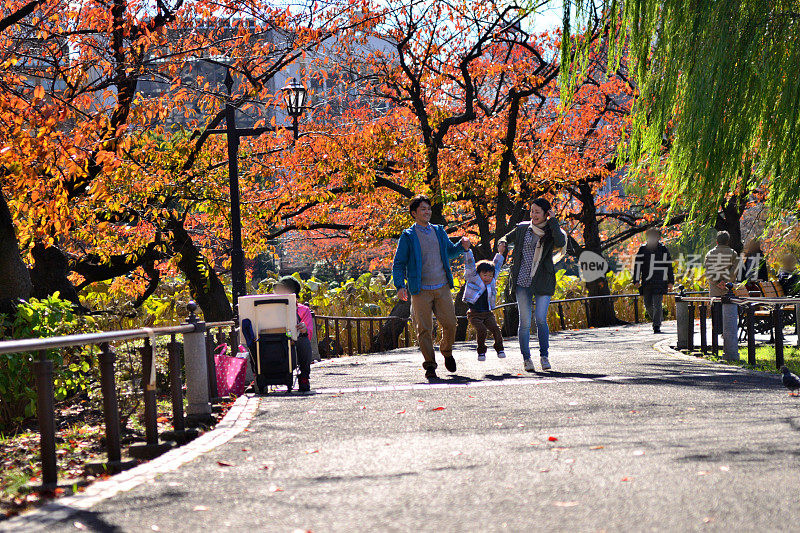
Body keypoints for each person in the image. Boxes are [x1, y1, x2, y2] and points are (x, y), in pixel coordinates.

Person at [392, 195, 471, 380]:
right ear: (414, 213)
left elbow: (450, 252)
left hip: (442, 286)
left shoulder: (439, 231)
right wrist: (400, 286)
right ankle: (430, 365)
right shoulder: (408, 236)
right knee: (424, 329)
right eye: (423, 209)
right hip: (420, 290)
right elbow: (399, 263)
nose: (427, 212)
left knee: (451, 323)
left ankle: (447, 350)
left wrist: (462, 245)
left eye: (428, 208)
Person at [499, 198, 566, 372]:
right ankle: (526, 358)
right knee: (525, 322)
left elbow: (560, 242)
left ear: (546, 213)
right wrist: (503, 243)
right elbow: (506, 237)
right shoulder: (523, 228)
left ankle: (544, 356)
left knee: (541, 319)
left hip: (543, 279)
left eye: (537, 212)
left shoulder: (552, 230)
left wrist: (554, 221)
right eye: (532, 211)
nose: (533, 215)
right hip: (522, 280)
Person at [463, 242, 507, 361]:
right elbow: (470, 265)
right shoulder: (473, 278)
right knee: (481, 330)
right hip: (474, 313)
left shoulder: (492, 280)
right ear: (479, 274)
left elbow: (497, 266)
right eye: (485, 275)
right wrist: (467, 251)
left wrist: (500, 253)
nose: (487, 278)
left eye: (490, 275)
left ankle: (500, 348)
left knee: (496, 329)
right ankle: (481, 352)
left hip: (487, 313)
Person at [272, 276, 314, 392]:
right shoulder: (267, 306)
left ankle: (304, 377)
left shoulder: (303, 310)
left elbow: (308, 333)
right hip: (272, 340)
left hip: (293, 341)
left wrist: (304, 329)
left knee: (304, 340)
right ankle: (257, 377)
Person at [632, 228, 674, 334]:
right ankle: (657, 319)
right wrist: (636, 280)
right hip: (647, 281)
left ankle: (656, 325)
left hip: (660, 280)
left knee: (657, 303)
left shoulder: (663, 249)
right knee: (648, 304)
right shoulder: (643, 249)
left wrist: (671, 281)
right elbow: (638, 266)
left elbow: (668, 265)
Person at [703, 231, 739, 334]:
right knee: (729, 312)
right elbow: (734, 270)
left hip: (715, 289)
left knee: (716, 311)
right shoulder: (733, 253)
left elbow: (709, 271)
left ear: (717, 241)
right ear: (728, 241)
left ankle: (716, 334)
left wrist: (718, 281)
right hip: (729, 289)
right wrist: (726, 282)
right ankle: (728, 334)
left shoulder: (710, 254)